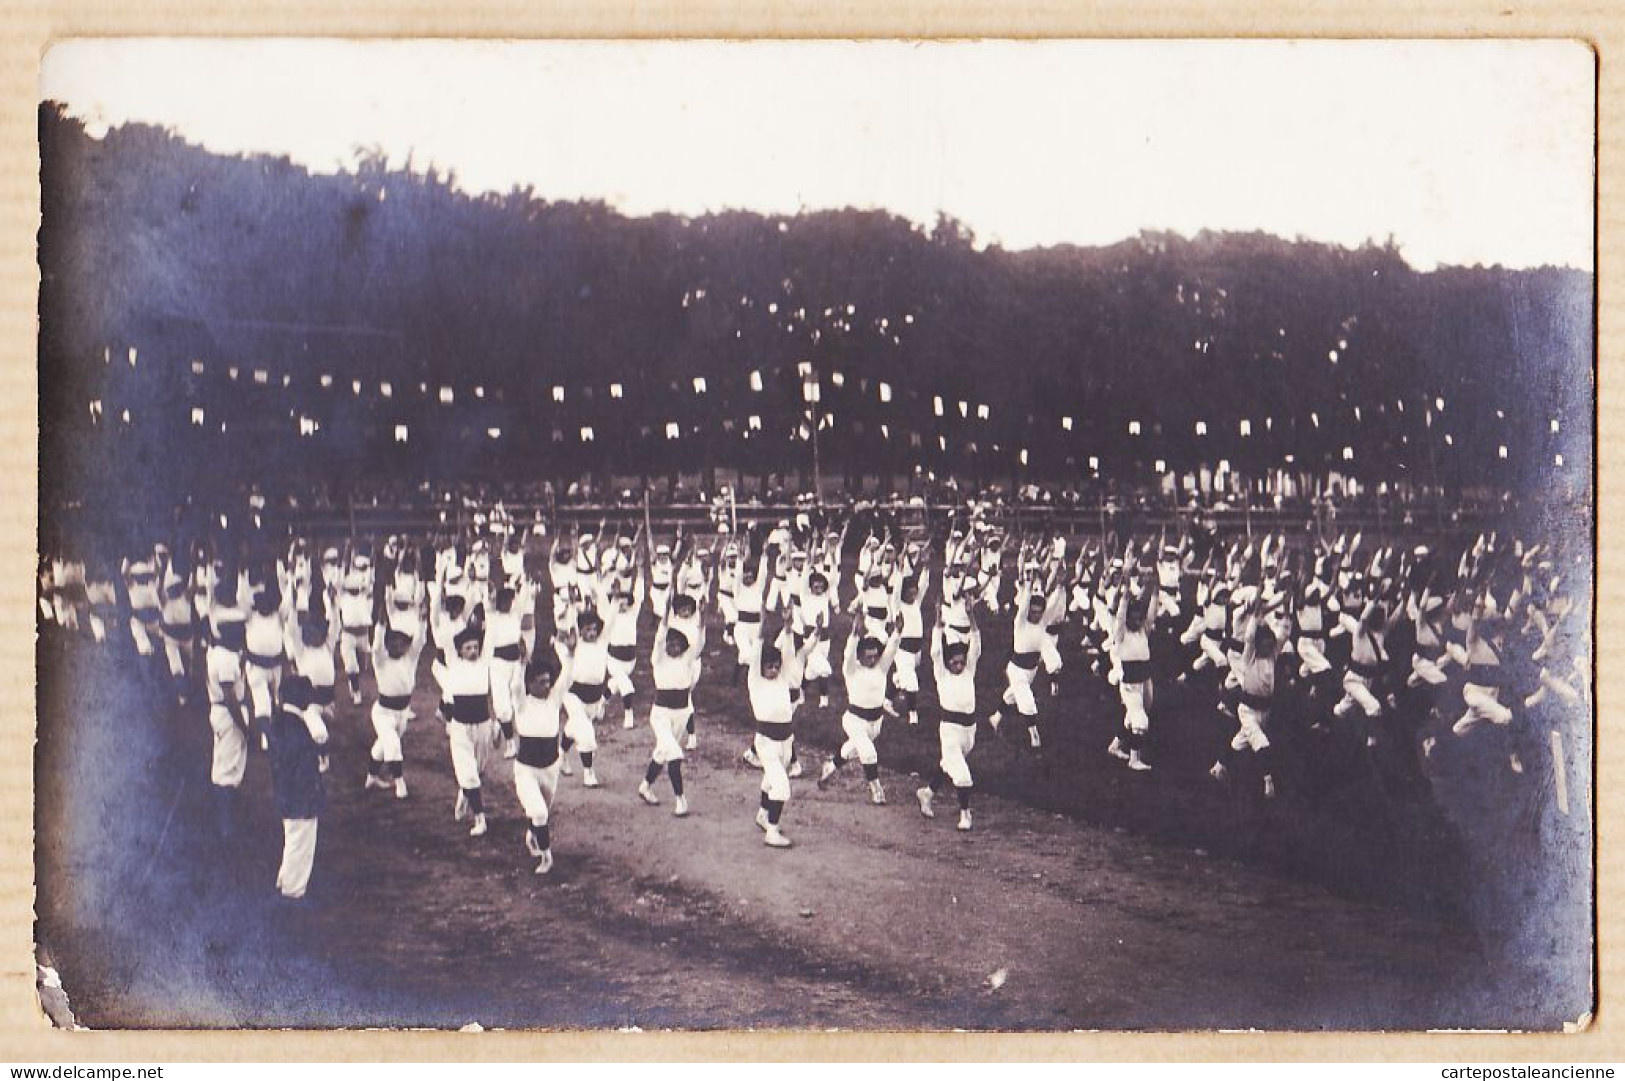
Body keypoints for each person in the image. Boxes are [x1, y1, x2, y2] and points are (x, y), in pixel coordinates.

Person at [746, 623, 817, 847]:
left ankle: (763, 815)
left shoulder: (783, 680)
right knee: (781, 786)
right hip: (766, 741)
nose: (774, 670)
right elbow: (757, 655)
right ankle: (772, 831)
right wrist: (762, 626)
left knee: (770, 780)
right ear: (760, 668)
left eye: (777, 667)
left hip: (785, 741)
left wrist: (786, 627)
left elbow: (788, 653)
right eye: (769, 667)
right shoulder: (755, 682)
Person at [818, 622, 902, 804]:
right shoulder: (852, 670)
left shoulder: (881, 668)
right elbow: (848, 654)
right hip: (855, 721)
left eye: (875, 656)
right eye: (868, 657)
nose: (872, 660)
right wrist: (854, 634)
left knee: (852, 748)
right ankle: (876, 790)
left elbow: (892, 649)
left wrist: (897, 632)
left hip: (875, 723)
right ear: (860, 656)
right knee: (868, 753)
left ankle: (830, 767)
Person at [916, 604, 984, 831]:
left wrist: (971, 614)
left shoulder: (969, 671)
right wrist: (937, 621)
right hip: (950, 730)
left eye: (961, 661)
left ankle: (927, 793)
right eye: (954, 662)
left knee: (949, 765)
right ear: (947, 663)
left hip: (969, 731)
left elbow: (975, 643)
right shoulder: (942, 674)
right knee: (963, 776)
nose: (958, 665)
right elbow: (935, 651)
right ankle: (965, 814)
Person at [513, 635, 575, 875]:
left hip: (550, 767)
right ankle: (547, 857)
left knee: (542, 812)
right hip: (527, 768)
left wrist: (566, 652)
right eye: (540, 682)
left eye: (548, 681)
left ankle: (533, 834)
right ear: (530, 685)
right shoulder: (522, 703)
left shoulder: (554, 699)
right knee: (538, 812)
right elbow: (516, 686)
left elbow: (568, 674)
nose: (547, 686)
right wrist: (520, 664)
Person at [637, 607, 704, 817]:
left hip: (682, 713)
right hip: (661, 715)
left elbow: (700, 642)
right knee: (674, 753)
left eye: (678, 644)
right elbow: (659, 637)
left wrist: (701, 617)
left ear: (684, 647)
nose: (673, 647)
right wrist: (665, 617)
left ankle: (646, 786)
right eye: (670, 644)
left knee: (662, 752)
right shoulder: (658, 659)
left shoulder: (687, 659)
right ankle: (680, 800)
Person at [268, 675, 328, 901]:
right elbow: (302, 770)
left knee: (293, 840)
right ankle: (291, 894)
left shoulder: (281, 721)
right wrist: (313, 797)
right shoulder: (297, 730)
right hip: (299, 797)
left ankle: (285, 882)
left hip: (286, 793)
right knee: (300, 844)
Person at [441, 625, 498, 837]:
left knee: (478, 769)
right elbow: (445, 635)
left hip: (482, 725)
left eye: (476, 647)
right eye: (468, 648)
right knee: (469, 773)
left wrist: (486, 598)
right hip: (460, 727)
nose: (473, 651)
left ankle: (465, 793)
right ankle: (480, 818)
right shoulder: (453, 664)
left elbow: (491, 636)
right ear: (459, 651)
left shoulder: (484, 663)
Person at [367, 616, 426, 799]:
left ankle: (372, 776)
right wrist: (381, 625)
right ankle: (400, 783)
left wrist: (423, 619)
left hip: (403, 712)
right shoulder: (381, 661)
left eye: (401, 645)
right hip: (383, 712)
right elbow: (376, 647)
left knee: (382, 747)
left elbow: (420, 640)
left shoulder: (410, 659)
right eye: (392, 644)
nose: (397, 648)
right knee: (392, 744)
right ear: (387, 646)